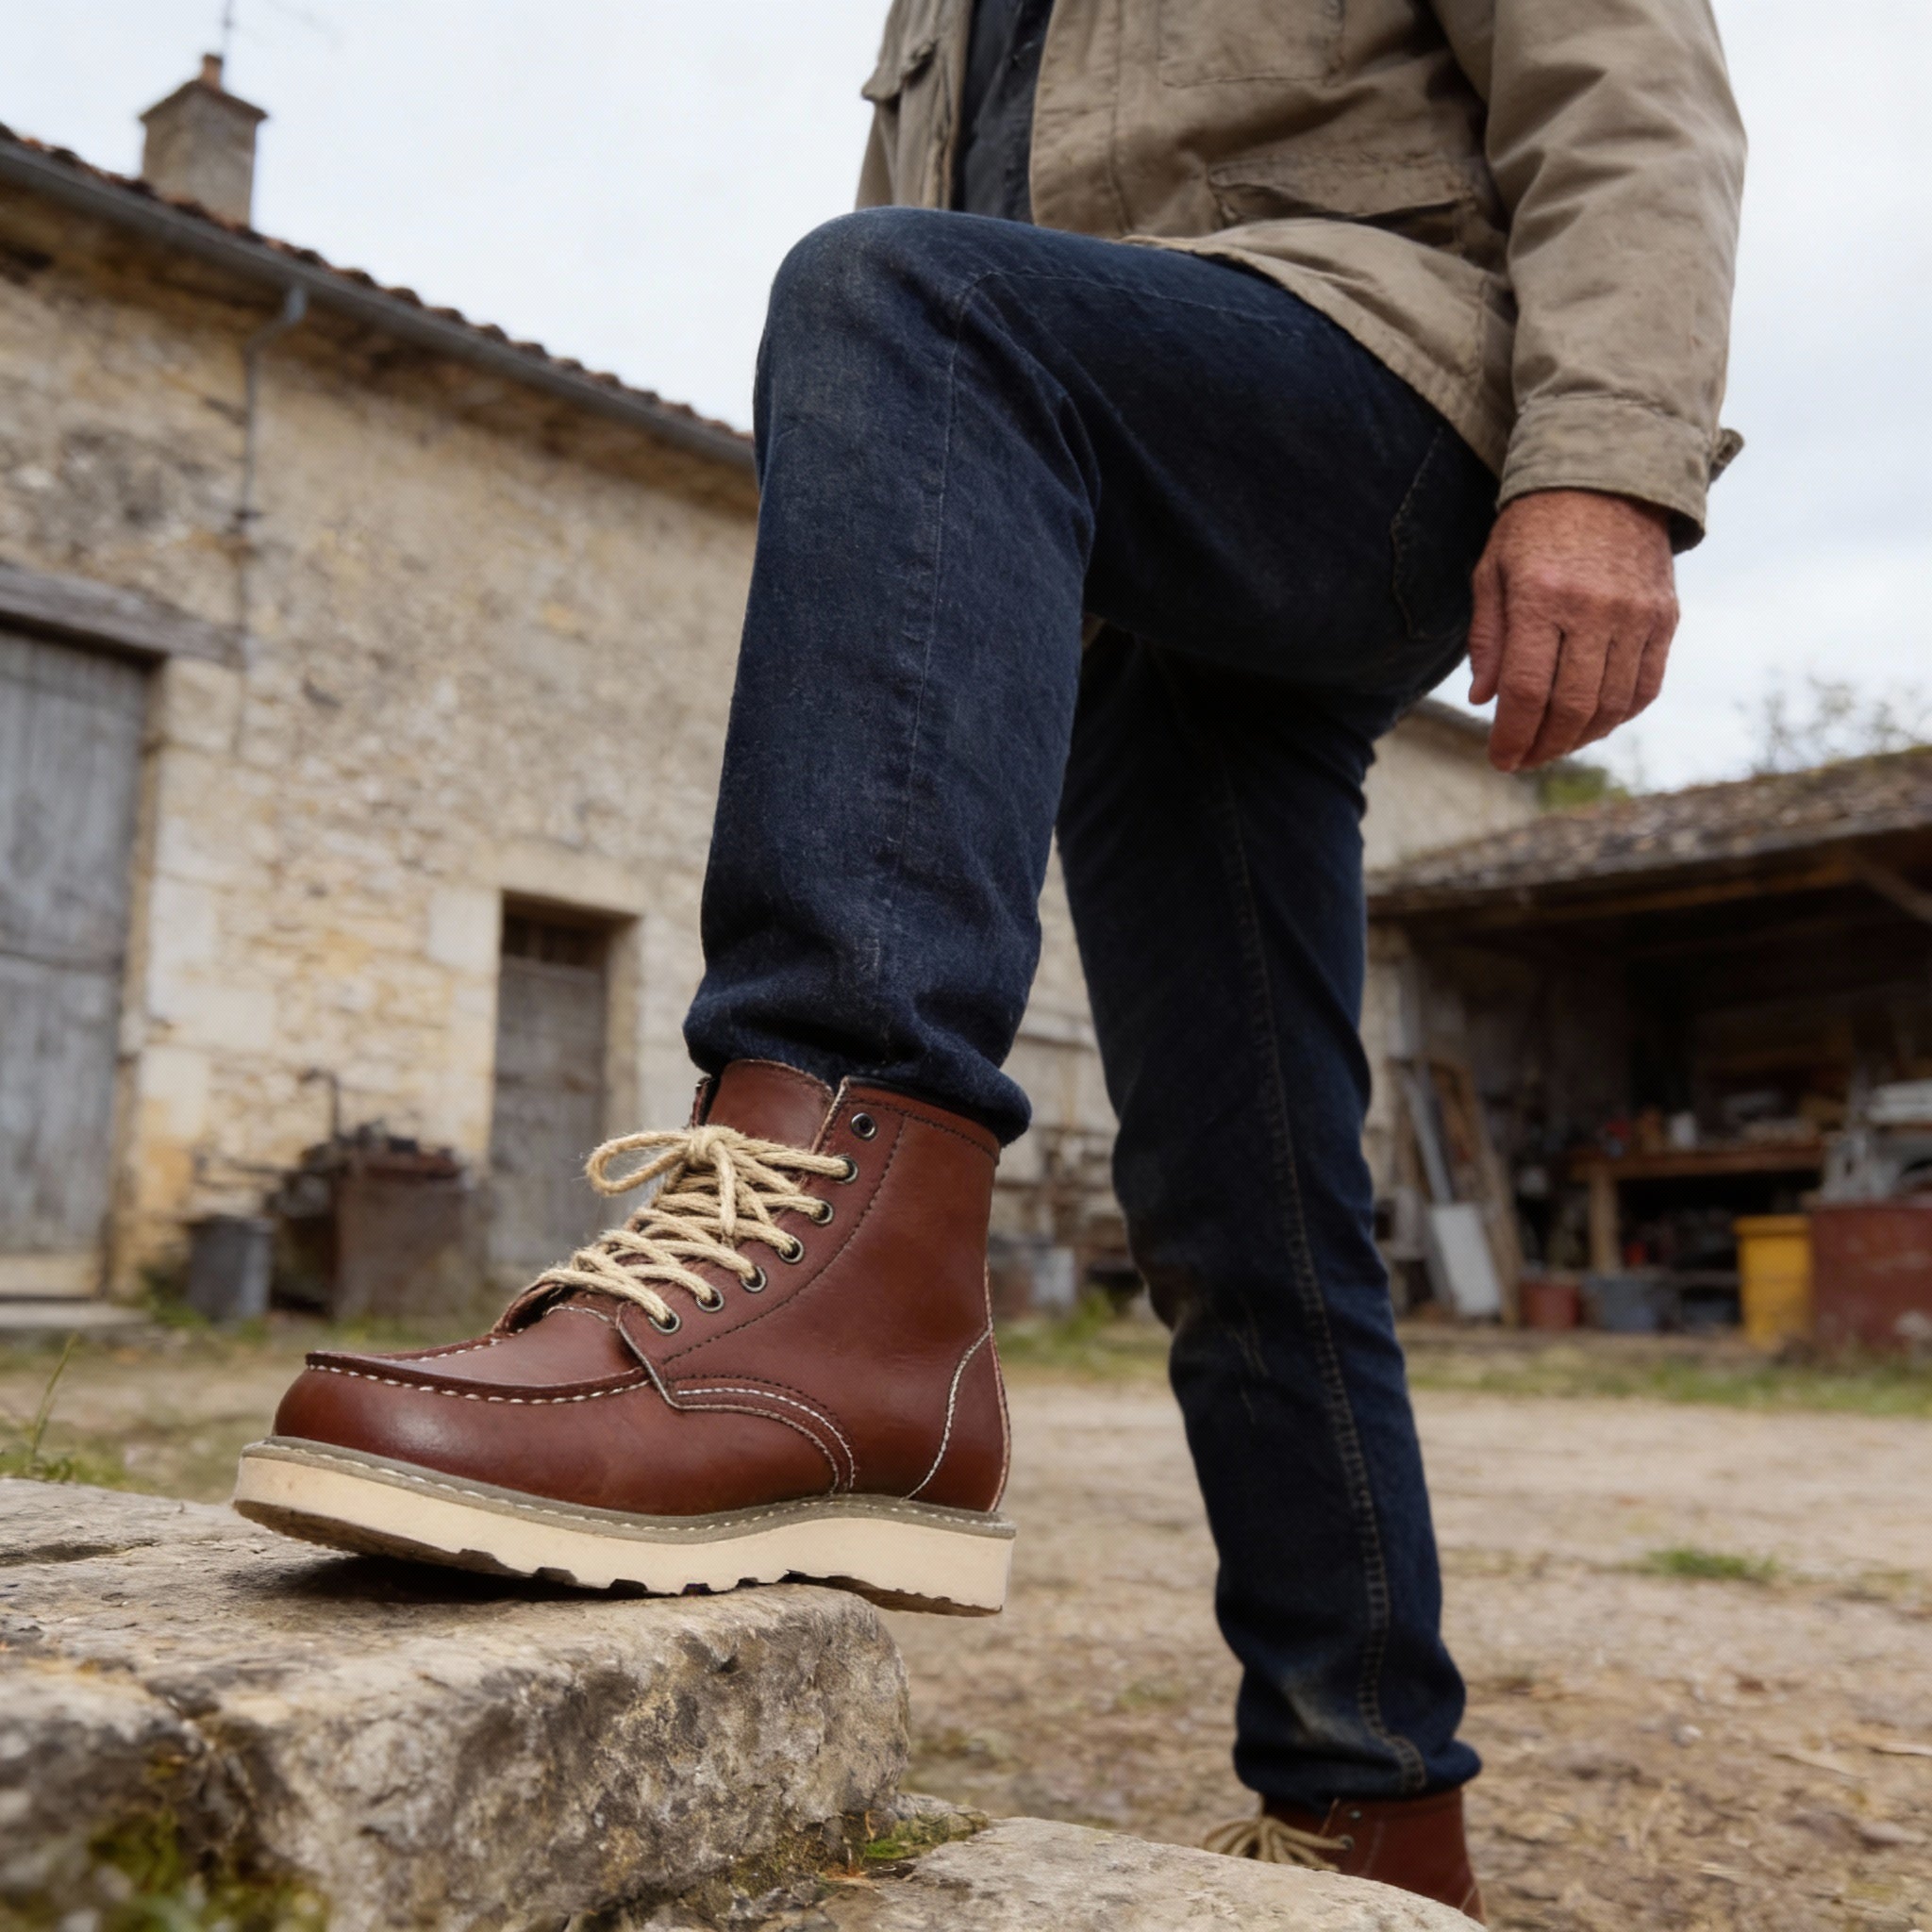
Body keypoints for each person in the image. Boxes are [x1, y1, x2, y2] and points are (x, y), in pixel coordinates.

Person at [237, 2, 1744, 1918]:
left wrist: (1604, 461)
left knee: (899, 297)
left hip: (1378, 386)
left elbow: (1627, 89)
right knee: (1239, 1183)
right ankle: (1371, 1812)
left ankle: (841, 1257)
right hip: (1131, 518)